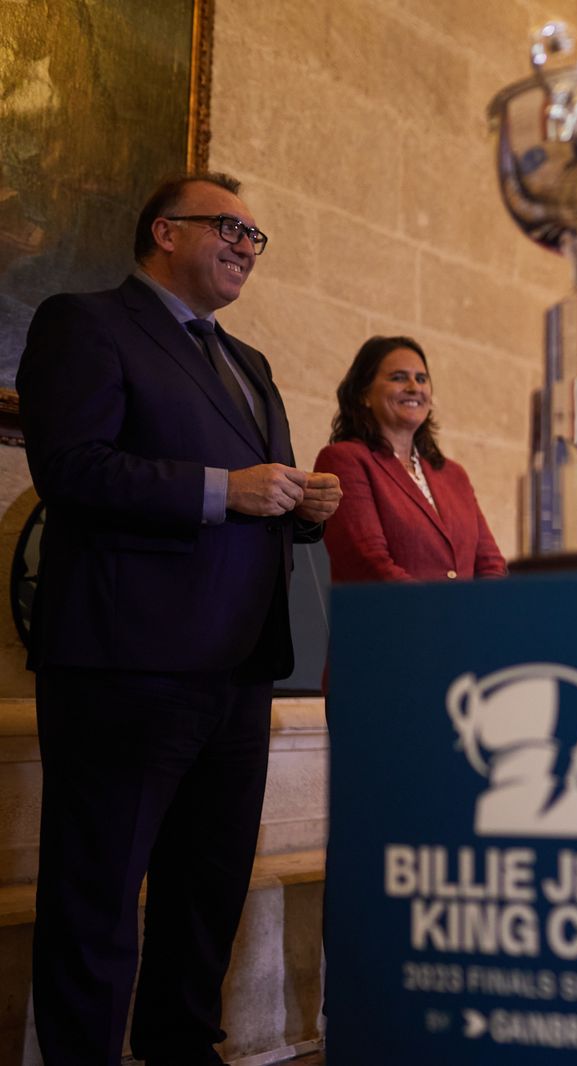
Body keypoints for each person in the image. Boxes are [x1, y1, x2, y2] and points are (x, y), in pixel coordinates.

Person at [17, 172, 341, 1065]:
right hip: (127, 660)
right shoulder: (83, 323)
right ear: (165, 230)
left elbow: (258, 496)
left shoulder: (250, 364)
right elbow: (73, 469)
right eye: (229, 227)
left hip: (239, 667)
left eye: (255, 237)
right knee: (100, 889)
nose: (247, 245)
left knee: (206, 890)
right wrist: (221, 490)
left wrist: (304, 507)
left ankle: (180, 1048)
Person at [314, 336, 506, 583]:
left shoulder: (454, 474)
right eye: (398, 377)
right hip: (393, 619)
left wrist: (489, 614)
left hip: (466, 621)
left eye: (422, 379)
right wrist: (438, 615)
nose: (414, 387)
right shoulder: (344, 461)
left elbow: (490, 563)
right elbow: (369, 563)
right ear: (364, 394)